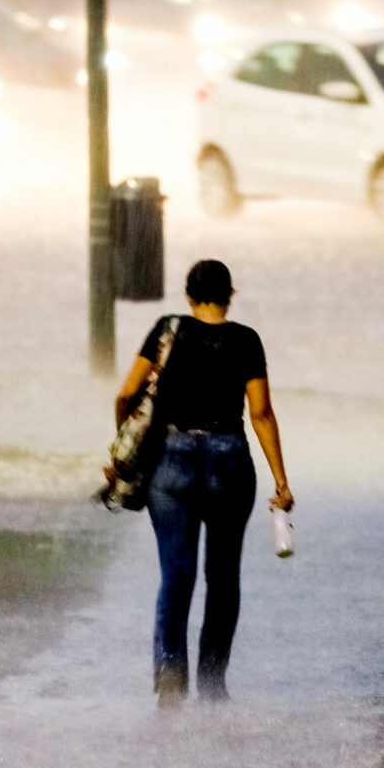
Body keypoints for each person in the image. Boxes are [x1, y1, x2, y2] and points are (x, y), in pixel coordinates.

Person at [111, 258, 292, 706]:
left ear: (189, 296)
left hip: (171, 460)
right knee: (223, 576)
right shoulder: (246, 340)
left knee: (176, 575)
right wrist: (281, 481)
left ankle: (171, 675)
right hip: (229, 461)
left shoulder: (167, 329)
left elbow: (126, 393)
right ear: (230, 294)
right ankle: (213, 682)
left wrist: (125, 447)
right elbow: (261, 412)